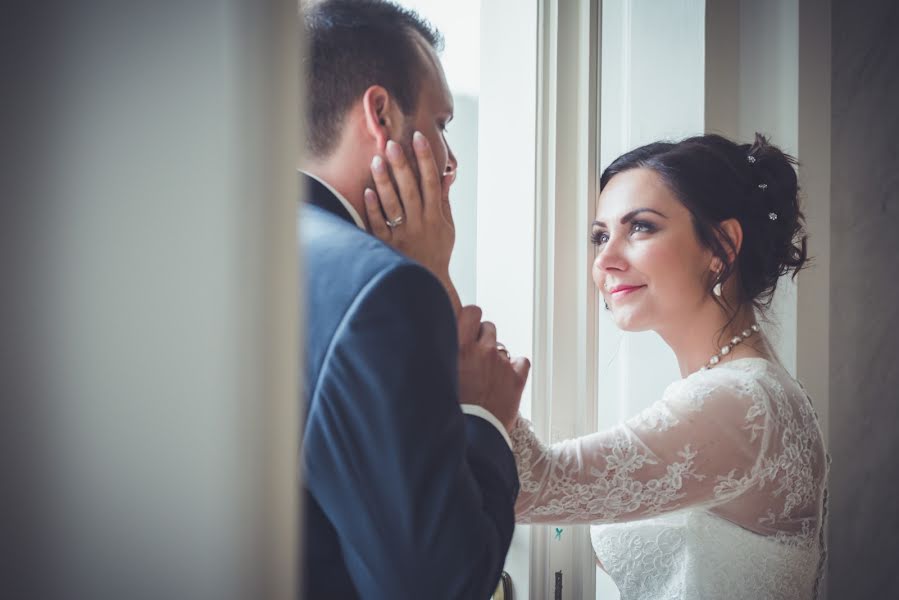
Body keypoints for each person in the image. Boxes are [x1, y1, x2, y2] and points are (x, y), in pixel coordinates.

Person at [369, 133, 829, 599]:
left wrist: (430, 266)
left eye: (641, 228)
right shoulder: (744, 390)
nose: (605, 260)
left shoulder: (740, 403)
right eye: (600, 236)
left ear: (723, 245)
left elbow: (531, 486)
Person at [299, 1, 531, 598]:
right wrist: (480, 412)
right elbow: (437, 588)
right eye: (443, 123)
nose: (451, 165)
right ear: (380, 114)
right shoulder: (382, 291)